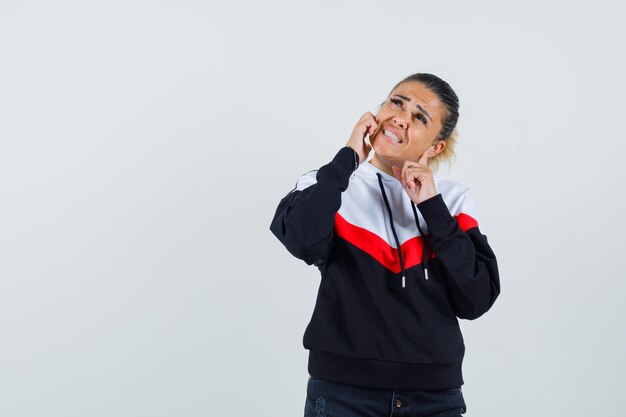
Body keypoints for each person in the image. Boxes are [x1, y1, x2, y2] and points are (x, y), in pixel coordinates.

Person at [269, 73, 501, 417]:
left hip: (434, 399)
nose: (401, 119)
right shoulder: (329, 184)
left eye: (420, 117)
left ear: (436, 146)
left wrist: (432, 208)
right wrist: (347, 158)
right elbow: (301, 241)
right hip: (342, 396)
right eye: (397, 103)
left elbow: (477, 298)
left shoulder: (451, 200)